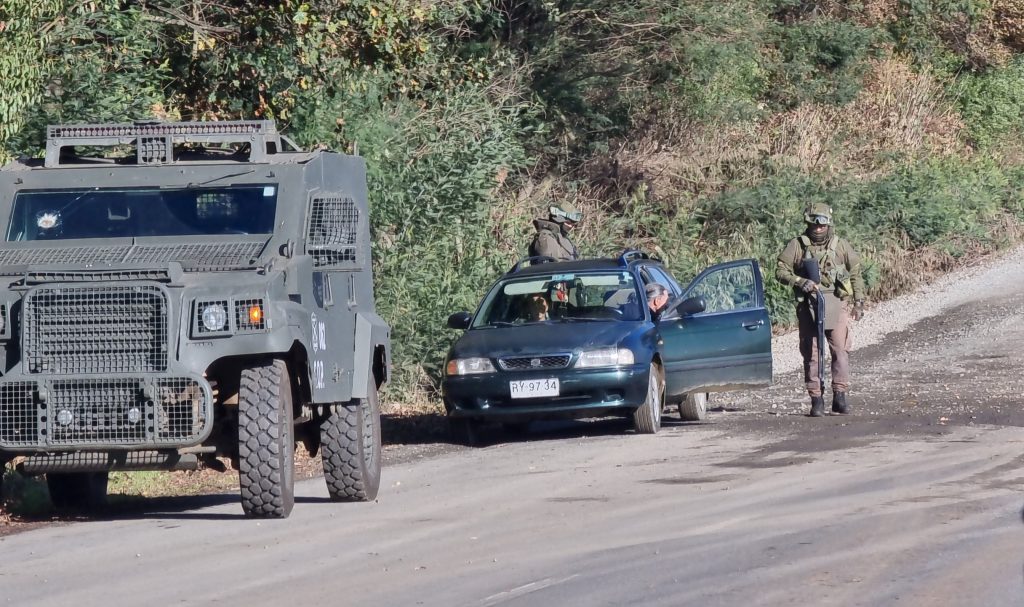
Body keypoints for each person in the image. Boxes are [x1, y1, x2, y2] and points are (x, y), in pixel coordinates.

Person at [776, 203, 866, 417]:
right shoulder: (797, 245)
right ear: (808, 222)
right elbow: (780, 271)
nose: (818, 227)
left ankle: (840, 396)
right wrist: (799, 281)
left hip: (836, 303)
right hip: (809, 306)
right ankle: (816, 399)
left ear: (829, 223)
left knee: (840, 351)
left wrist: (859, 301)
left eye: (822, 222)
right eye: (814, 222)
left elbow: (856, 272)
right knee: (812, 354)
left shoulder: (841, 245)